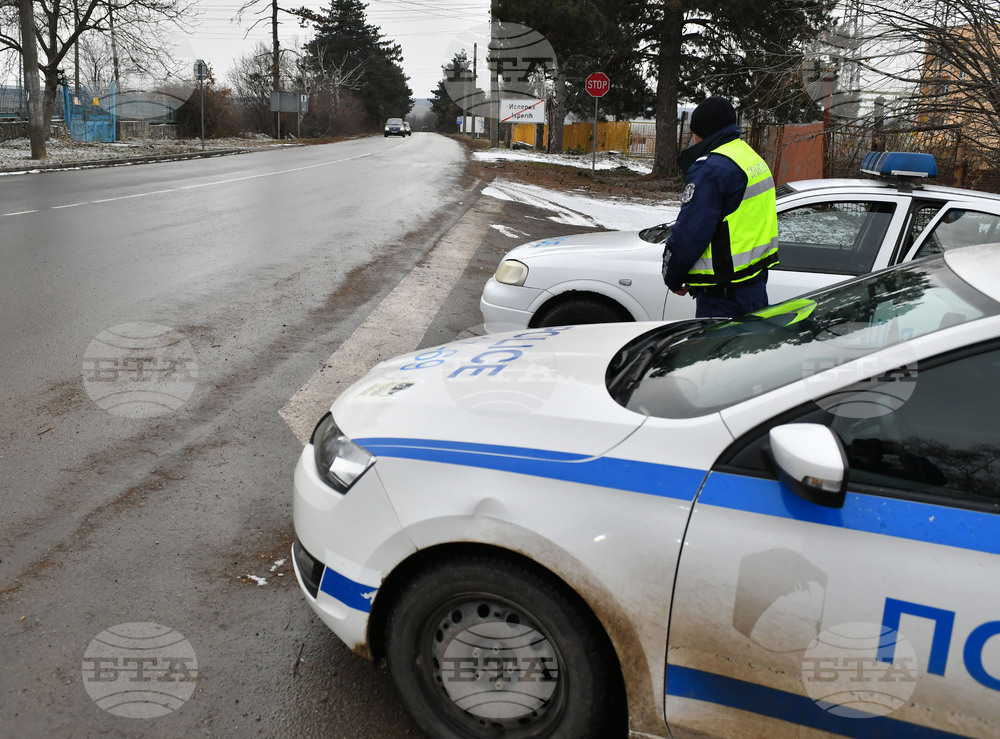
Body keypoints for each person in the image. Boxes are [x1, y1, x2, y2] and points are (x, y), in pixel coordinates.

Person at [661, 96, 779, 318]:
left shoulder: (711, 169)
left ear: (702, 132)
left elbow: (691, 231)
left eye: (694, 132)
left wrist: (673, 276)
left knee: (718, 342)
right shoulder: (749, 157)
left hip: (723, 296)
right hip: (753, 285)